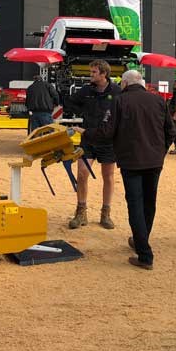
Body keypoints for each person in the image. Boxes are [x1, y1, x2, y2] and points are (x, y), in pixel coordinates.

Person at [84, 70, 176, 270]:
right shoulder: (158, 101)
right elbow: (171, 130)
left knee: (135, 204)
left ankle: (144, 254)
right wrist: (160, 151)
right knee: (149, 202)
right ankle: (140, 240)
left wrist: (87, 133)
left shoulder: (119, 100)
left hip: (131, 161)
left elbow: (107, 132)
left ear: (125, 83)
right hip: (154, 161)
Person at [63, 59, 121, 230]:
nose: (90, 75)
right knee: (82, 173)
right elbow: (70, 102)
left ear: (104, 74)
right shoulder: (86, 90)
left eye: (94, 72)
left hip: (108, 141)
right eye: (91, 72)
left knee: (108, 176)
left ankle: (106, 213)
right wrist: (83, 112)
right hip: (87, 139)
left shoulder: (117, 92)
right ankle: (81, 212)